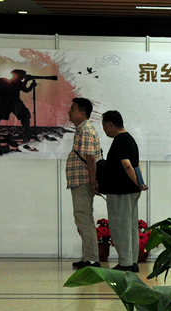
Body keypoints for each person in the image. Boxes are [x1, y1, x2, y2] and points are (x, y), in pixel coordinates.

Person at [101, 110, 143, 272]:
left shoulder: (119, 140)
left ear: (111, 125)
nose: (104, 129)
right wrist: (140, 183)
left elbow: (127, 166)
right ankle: (132, 261)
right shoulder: (130, 139)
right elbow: (136, 165)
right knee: (131, 226)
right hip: (131, 190)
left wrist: (137, 183)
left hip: (121, 191)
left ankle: (125, 263)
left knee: (120, 226)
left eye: (104, 125)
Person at [66, 98, 101, 269]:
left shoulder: (86, 130)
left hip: (83, 181)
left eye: (72, 109)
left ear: (82, 113)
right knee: (82, 218)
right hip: (80, 181)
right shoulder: (82, 130)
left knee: (84, 218)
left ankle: (92, 259)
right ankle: (87, 256)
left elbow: (90, 158)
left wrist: (93, 180)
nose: (69, 112)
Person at [0, 69, 36, 147]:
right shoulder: (17, 82)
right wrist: (29, 84)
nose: (24, 76)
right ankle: (27, 132)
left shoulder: (10, 82)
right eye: (23, 75)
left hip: (4, 103)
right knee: (25, 115)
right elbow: (25, 89)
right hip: (14, 102)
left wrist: (28, 83)